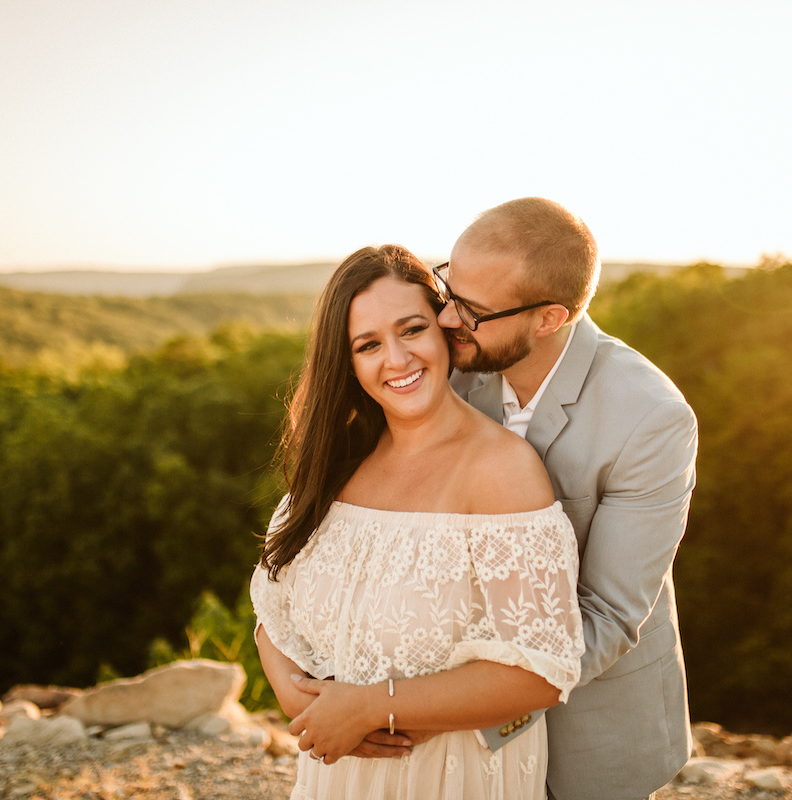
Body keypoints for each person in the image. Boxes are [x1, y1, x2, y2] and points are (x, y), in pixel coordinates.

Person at [250, 244, 585, 799]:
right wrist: (298, 698)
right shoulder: (336, 465)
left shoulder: (501, 471)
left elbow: (541, 671)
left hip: (454, 777)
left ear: (446, 331)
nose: (397, 359)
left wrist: (369, 707)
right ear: (348, 362)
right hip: (336, 775)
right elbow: (272, 609)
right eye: (369, 344)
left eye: (411, 330)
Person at [436, 197, 699, 800]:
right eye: (445, 283)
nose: (446, 318)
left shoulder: (651, 418)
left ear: (550, 318)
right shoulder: (450, 365)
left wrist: (448, 706)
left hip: (591, 729)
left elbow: (607, 614)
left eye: (472, 310)